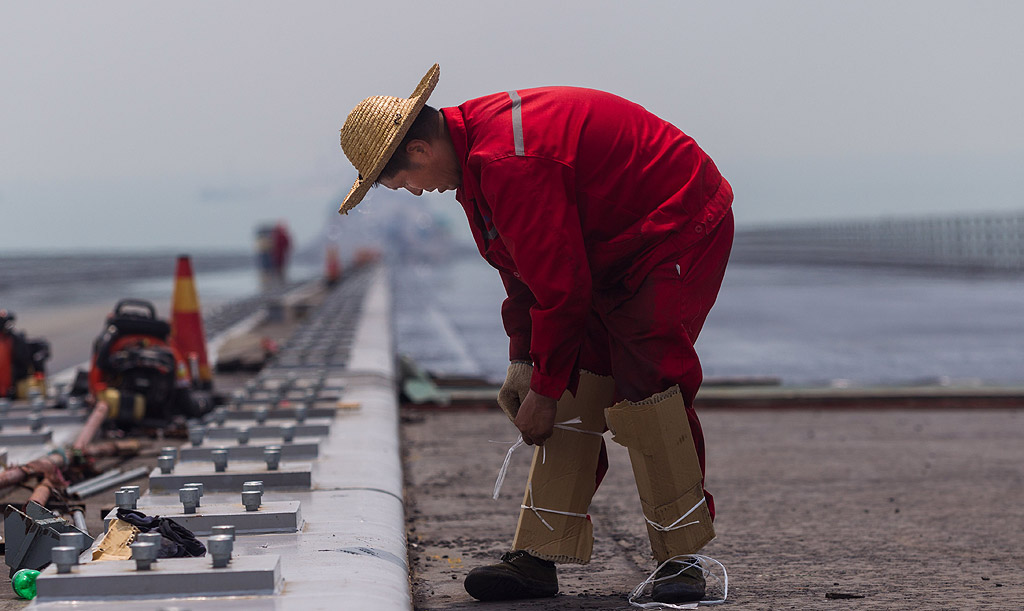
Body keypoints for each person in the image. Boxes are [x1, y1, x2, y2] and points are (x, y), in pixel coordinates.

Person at [338, 64, 733, 605]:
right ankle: (540, 553)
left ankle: (682, 559)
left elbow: (562, 291)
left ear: (420, 151)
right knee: (573, 377)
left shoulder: (508, 163)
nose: (413, 191)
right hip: (609, 243)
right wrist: (525, 363)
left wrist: (544, 394)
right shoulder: (475, 163)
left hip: (674, 224)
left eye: (402, 181)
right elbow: (525, 272)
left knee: (649, 382)